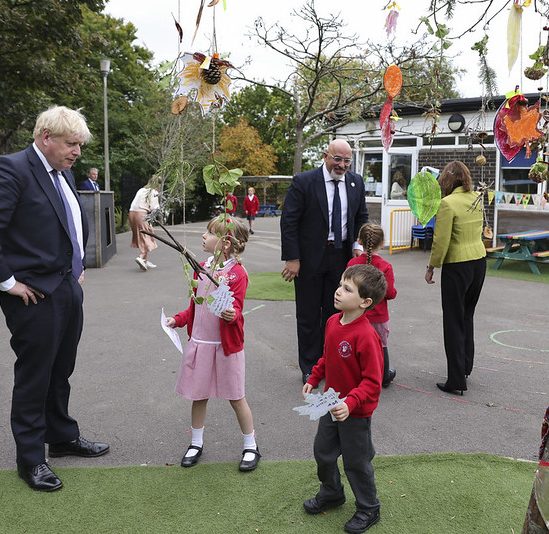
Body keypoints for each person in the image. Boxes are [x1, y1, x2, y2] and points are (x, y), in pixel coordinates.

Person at [0, 106, 109, 492]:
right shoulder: (10, 169)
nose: (77, 151)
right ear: (46, 137)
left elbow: (66, 221)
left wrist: (74, 267)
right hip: (31, 295)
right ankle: (31, 459)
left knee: (61, 369)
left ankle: (60, 437)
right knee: (35, 375)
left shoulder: (63, 171)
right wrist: (7, 283)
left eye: (80, 144)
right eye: (71, 143)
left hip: (65, 286)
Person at [165, 216, 260, 472]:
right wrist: (178, 319)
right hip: (201, 344)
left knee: (236, 396)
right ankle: (196, 443)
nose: (203, 237)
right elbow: (195, 307)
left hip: (225, 347)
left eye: (209, 233)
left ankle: (251, 445)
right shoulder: (201, 267)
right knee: (199, 395)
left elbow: (236, 309)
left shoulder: (236, 273)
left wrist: (232, 314)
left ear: (225, 244)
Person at [302, 264, 386, 534]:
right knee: (323, 453)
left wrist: (350, 404)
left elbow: (373, 382)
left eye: (347, 289)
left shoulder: (366, 335)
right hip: (330, 405)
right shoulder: (332, 322)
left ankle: (369, 508)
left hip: (355, 414)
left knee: (356, 463)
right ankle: (332, 492)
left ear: (365, 302)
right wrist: (314, 378)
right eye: (340, 285)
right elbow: (327, 357)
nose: (338, 291)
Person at [281, 139, 369, 384]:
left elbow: (362, 216)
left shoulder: (356, 182)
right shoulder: (304, 182)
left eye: (347, 161)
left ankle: (332, 362)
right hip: (309, 259)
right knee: (308, 313)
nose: (342, 165)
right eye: (337, 159)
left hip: (341, 258)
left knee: (337, 313)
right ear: (325, 156)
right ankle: (310, 366)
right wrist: (293, 258)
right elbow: (289, 222)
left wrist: (358, 246)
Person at [424, 160, 487, 396]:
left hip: (458, 264)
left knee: (452, 320)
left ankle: (456, 379)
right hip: (479, 261)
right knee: (467, 316)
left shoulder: (447, 204)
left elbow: (441, 241)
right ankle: (466, 367)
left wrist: (431, 266)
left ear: (447, 180)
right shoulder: (477, 198)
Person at [347, 223, 397, 388]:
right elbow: (390, 293)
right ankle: (384, 377)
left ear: (359, 241)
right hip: (378, 317)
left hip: (356, 315)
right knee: (381, 346)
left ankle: (356, 376)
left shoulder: (353, 264)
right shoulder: (385, 267)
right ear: (381, 243)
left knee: (356, 347)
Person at [129, 175, 161, 271]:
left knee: (141, 236)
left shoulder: (141, 190)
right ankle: (141, 257)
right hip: (141, 214)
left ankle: (145, 261)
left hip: (132, 213)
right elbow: (154, 208)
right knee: (147, 235)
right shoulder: (154, 192)